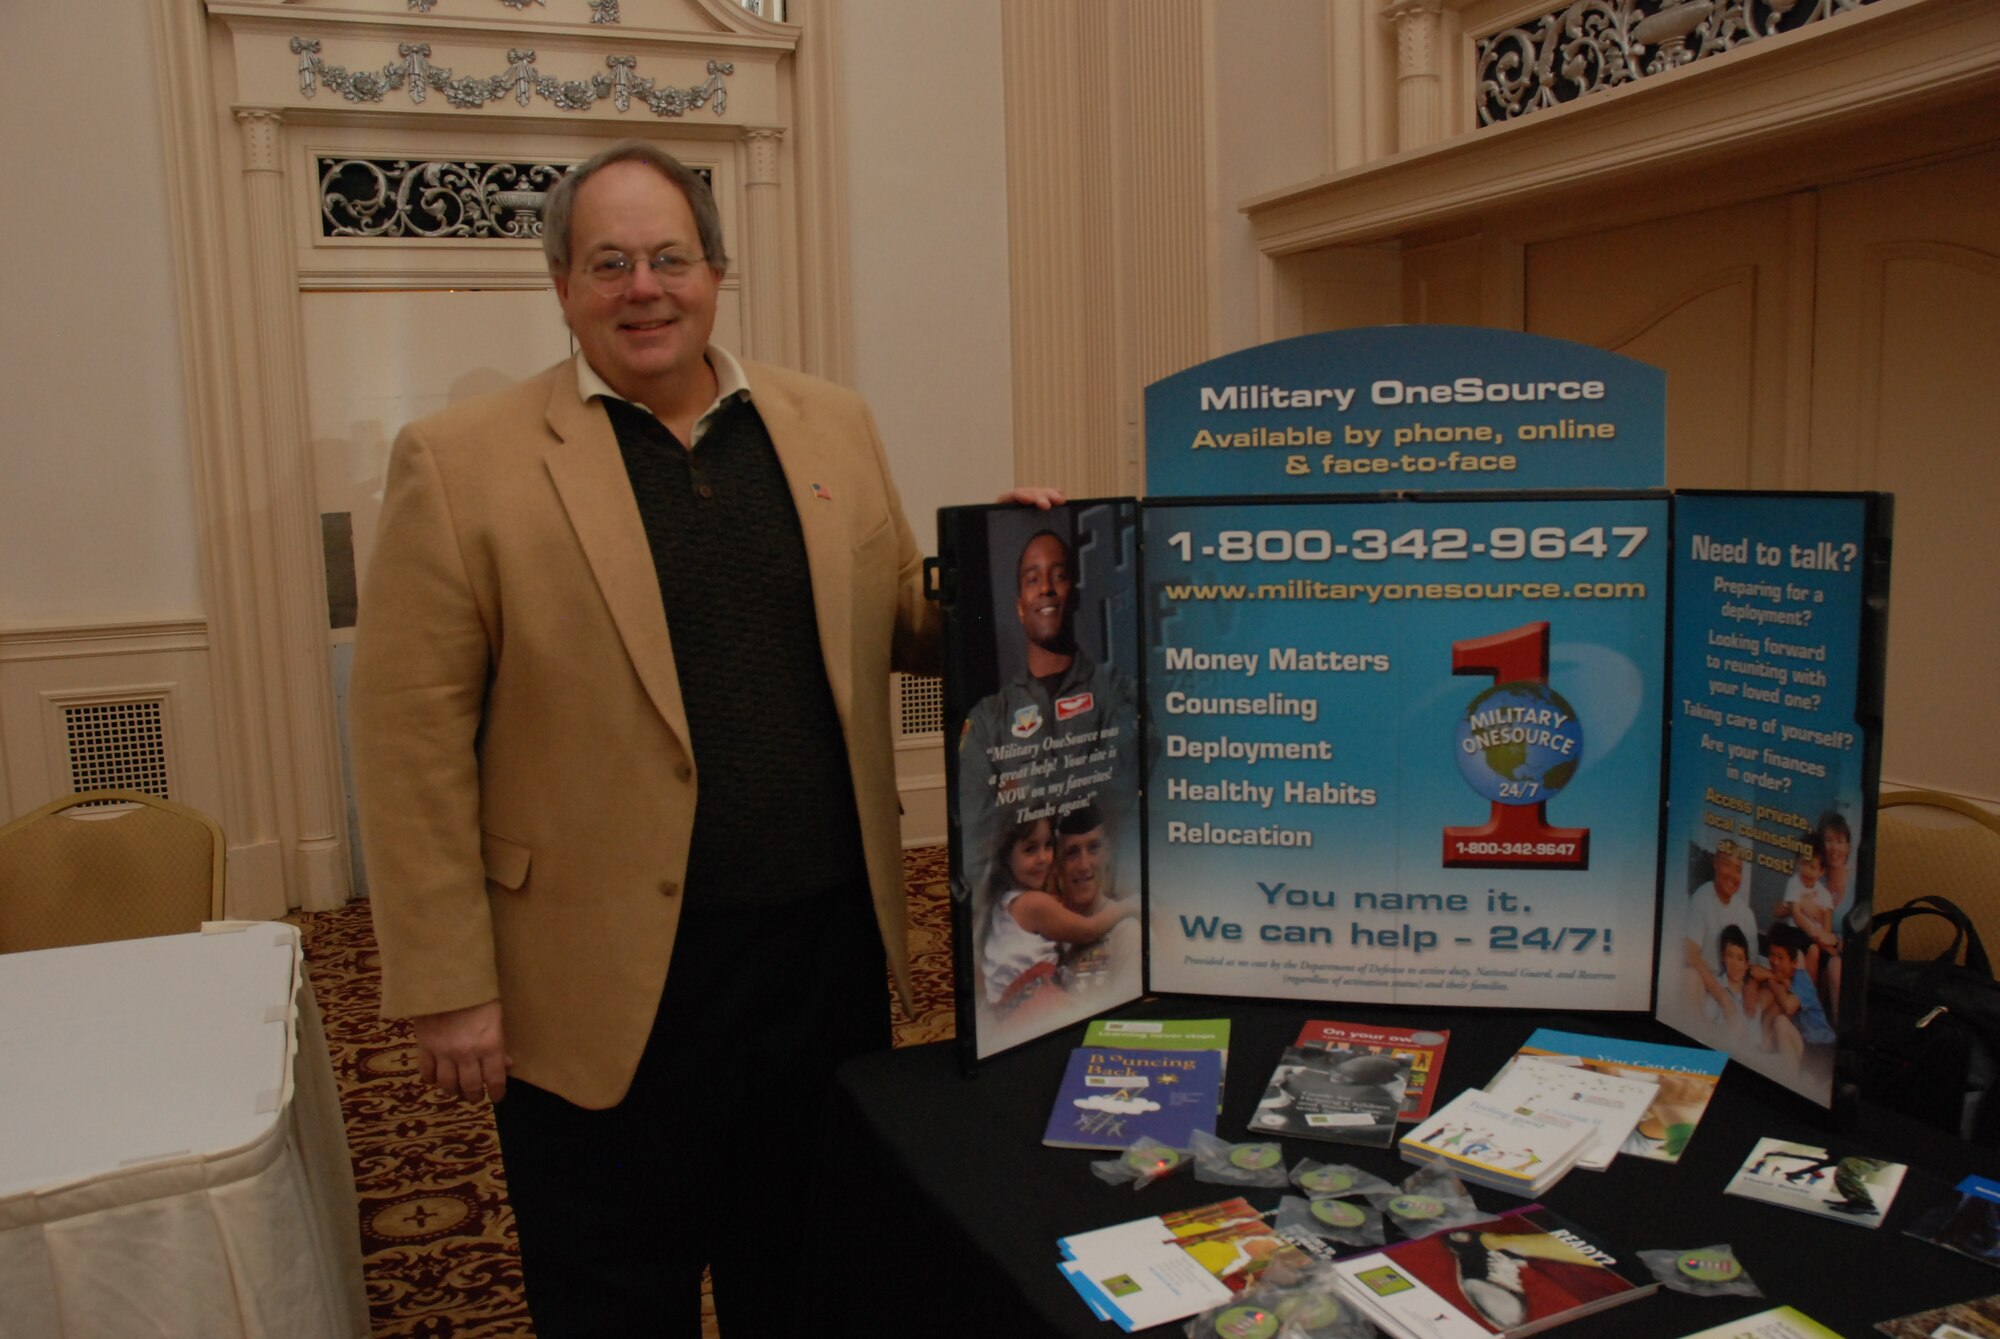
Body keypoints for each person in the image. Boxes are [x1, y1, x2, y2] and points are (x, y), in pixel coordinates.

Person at [349, 138, 1059, 1337]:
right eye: (609, 262)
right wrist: (446, 985)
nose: (644, 286)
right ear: (562, 286)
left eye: (670, 257)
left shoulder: (828, 424)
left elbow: (900, 620)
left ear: (716, 271)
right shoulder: (461, 461)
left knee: (805, 1267)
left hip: (819, 952)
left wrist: (1015, 569)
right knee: (614, 1287)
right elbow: (408, 734)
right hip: (598, 977)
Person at [956, 527, 1140, 900]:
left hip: (1105, 907)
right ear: (1020, 605)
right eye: (1032, 579)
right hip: (1022, 927)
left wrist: (1023, 789)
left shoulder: (1117, 691)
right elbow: (978, 837)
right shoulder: (989, 719)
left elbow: (1122, 784)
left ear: (1074, 596)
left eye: (1058, 576)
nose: (1046, 589)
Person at [980, 814, 1133, 1009]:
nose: (1043, 858)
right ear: (1007, 857)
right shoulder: (1033, 903)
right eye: (1030, 849)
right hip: (1031, 1002)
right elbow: (1088, 930)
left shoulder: (1004, 903)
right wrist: (1131, 905)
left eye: (1048, 846)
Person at [1678, 836, 1761, 1025]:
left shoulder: (1746, 914)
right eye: (1727, 865)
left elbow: (1753, 965)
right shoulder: (1702, 898)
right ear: (1715, 864)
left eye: (1738, 869)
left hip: (1735, 983)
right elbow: (1690, 953)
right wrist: (1723, 998)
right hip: (1707, 982)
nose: (1732, 875)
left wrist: (1751, 987)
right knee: (1689, 977)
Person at [1761, 922, 1837, 1065]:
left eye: (1781, 957)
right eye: (1771, 955)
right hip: (1805, 1045)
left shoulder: (1801, 979)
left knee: (1781, 1021)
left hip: (1822, 1047)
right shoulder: (1782, 978)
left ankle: (1790, 1074)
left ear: (1794, 962)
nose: (1775, 962)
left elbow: (1789, 1006)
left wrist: (1771, 980)